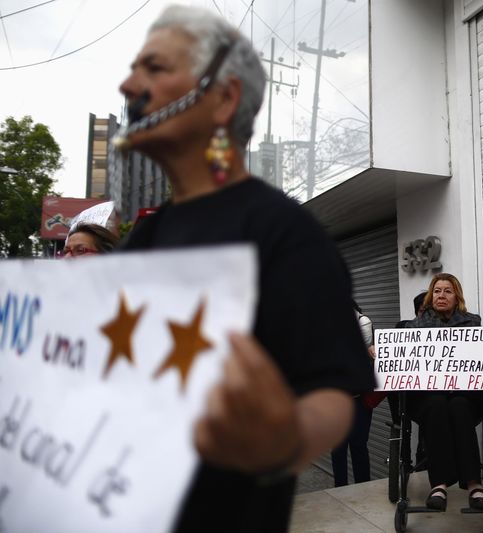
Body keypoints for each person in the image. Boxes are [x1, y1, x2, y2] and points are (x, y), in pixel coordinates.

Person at [115, 6, 374, 532]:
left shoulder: (286, 234)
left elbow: (336, 393)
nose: (128, 85)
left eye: (154, 68)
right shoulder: (146, 234)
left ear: (224, 97)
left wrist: (286, 437)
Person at [404, 273, 483, 512]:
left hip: (464, 394)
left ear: (457, 297)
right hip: (428, 396)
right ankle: (439, 485)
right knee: (437, 404)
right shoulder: (414, 327)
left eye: (447, 291)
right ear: (431, 296)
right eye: (437, 291)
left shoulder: (473, 324)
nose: (441, 295)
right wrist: (376, 352)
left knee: (459, 405)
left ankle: (474, 485)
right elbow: (399, 359)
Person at [330, 302, 374, 486]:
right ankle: (340, 487)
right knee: (338, 447)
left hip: (358, 398)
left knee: (358, 445)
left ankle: (363, 486)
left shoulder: (363, 323)